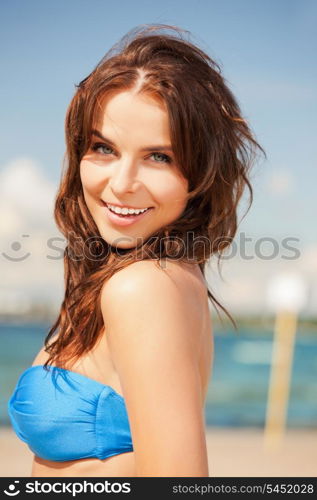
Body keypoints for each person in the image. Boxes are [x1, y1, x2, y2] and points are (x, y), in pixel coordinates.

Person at [8, 24, 263, 477]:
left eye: (159, 156)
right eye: (103, 148)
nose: (122, 184)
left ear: (200, 174)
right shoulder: (160, 276)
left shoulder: (143, 287)